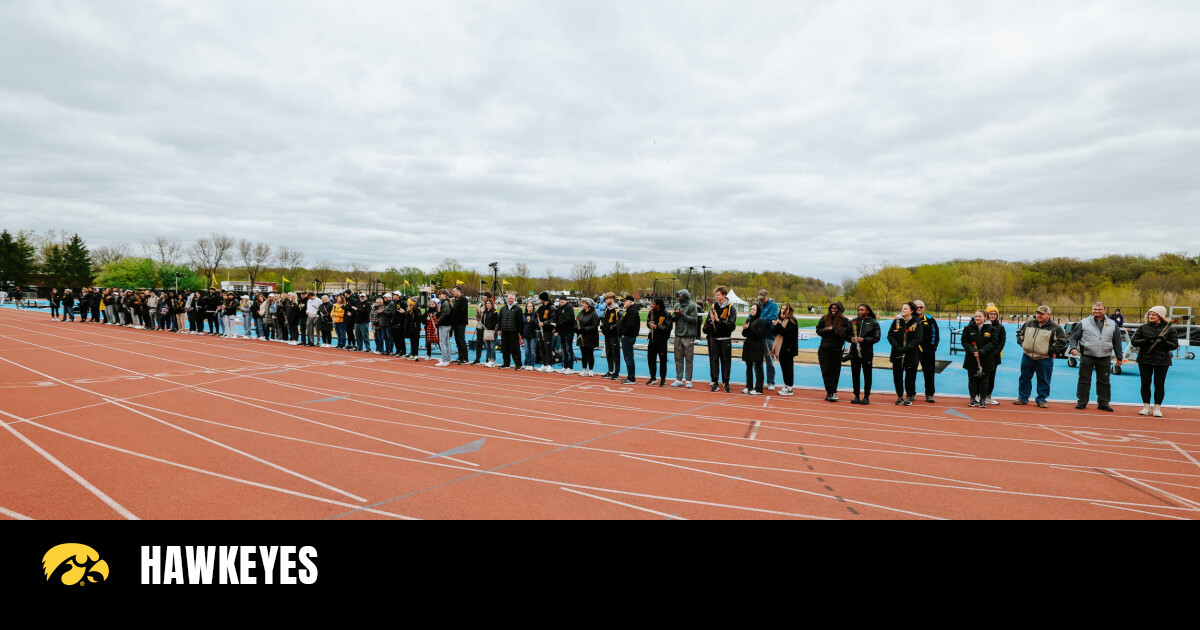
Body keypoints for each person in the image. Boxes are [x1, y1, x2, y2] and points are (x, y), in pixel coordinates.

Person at [1069, 302, 1124, 412]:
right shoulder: (1083, 323)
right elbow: (1073, 338)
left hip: (1105, 356)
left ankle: (1103, 403)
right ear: (1091, 310)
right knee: (1084, 379)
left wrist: (1119, 356)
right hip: (1087, 355)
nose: (1097, 311)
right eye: (1095, 309)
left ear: (1105, 310)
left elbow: (1117, 341)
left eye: (1099, 309)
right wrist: (1073, 348)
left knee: (1104, 380)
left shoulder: (1112, 324)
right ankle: (1082, 402)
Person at [1014, 305, 1068, 408]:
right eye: (1038, 313)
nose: (1039, 315)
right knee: (1024, 377)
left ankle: (1041, 399)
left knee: (1043, 379)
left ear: (1049, 315)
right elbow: (1019, 333)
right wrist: (1023, 344)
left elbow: (1061, 342)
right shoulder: (1029, 323)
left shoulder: (1055, 328)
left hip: (1044, 358)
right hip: (1027, 356)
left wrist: (1048, 351)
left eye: (1042, 314)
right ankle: (1023, 397)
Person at [1130, 305, 1178, 417]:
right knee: (1145, 383)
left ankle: (1157, 408)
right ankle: (1146, 407)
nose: (1151, 316)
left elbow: (1175, 345)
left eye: (1154, 315)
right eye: (1150, 314)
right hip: (1145, 359)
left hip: (1162, 361)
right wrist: (1147, 340)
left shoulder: (1170, 329)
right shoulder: (1143, 328)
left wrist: (1164, 342)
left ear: (1160, 316)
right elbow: (1134, 342)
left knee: (1159, 384)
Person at [961, 310, 998, 408]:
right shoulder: (968, 328)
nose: (977, 318)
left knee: (985, 380)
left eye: (979, 316)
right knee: (972, 379)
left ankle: (982, 399)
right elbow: (964, 341)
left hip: (986, 359)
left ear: (985, 317)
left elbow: (994, 342)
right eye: (976, 316)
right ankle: (973, 398)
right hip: (971, 358)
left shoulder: (991, 329)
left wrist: (982, 351)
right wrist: (972, 350)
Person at [888, 302, 922, 405]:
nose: (903, 310)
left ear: (911, 311)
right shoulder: (896, 322)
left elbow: (918, 339)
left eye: (906, 309)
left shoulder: (917, 323)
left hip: (911, 355)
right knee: (897, 377)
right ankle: (899, 396)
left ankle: (909, 396)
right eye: (902, 308)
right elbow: (890, 335)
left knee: (910, 378)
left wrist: (906, 348)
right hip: (897, 354)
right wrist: (898, 347)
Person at [704, 287, 738, 393]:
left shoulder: (731, 308)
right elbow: (707, 323)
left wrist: (719, 321)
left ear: (724, 295)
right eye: (716, 295)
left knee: (726, 361)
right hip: (714, 338)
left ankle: (726, 383)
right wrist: (711, 321)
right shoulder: (713, 307)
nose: (716, 296)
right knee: (714, 360)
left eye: (718, 295)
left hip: (725, 338)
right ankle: (715, 382)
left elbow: (732, 326)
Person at [815, 301, 849, 402]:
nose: (833, 310)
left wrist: (835, 330)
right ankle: (830, 392)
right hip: (824, 349)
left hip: (836, 349)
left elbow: (845, 334)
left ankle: (832, 392)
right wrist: (826, 329)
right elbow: (818, 330)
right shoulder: (825, 318)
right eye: (832, 308)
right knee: (826, 370)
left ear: (840, 309)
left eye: (835, 308)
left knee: (835, 371)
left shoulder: (845, 321)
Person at [848, 303, 880, 404]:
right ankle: (856, 395)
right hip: (854, 352)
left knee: (867, 375)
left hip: (867, 352)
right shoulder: (853, 321)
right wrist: (850, 339)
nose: (859, 312)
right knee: (855, 374)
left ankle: (866, 396)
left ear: (867, 311)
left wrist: (864, 340)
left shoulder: (873, 322)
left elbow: (876, 337)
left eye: (862, 310)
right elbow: (846, 334)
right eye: (858, 310)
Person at [670, 289, 699, 388]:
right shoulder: (677, 305)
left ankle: (688, 380)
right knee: (678, 358)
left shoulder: (692, 306)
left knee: (689, 358)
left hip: (688, 335)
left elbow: (695, 320)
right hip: (678, 335)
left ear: (685, 296)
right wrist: (675, 315)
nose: (678, 298)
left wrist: (683, 315)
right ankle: (678, 379)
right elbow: (673, 319)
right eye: (677, 296)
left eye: (679, 296)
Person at [740, 303, 771, 395]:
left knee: (758, 368)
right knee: (748, 367)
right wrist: (745, 329)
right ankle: (749, 386)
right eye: (751, 309)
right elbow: (744, 334)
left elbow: (759, 334)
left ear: (758, 311)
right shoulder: (749, 319)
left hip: (757, 346)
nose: (752, 311)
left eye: (754, 309)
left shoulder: (761, 321)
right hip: (748, 345)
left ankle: (758, 389)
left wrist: (750, 327)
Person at [770, 303, 799, 396]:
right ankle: (786, 386)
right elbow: (775, 333)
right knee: (784, 368)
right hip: (781, 348)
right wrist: (775, 326)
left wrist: (778, 326)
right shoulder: (780, 320)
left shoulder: (792, 321)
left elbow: (787, 334)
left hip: (788, 349)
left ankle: (789, 388)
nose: (782, 310)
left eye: (785, 309)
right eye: (782, 308)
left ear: (789, 311)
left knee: (788, 368)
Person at [914, 300, 939, 403]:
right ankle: (911, 394)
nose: (919, 309)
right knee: (911, 373)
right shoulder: (910, 320)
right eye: (916, 307)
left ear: (924, 308)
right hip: (913, 351)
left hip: (927, 352)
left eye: (921, 307)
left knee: (929, 373)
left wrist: (932, 348)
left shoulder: (930, 320)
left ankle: (929, 394)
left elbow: (935, 335)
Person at [645, 298, 672, 386]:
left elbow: (668, 327)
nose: (652, 305)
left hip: (662, 341)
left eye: (653, 304)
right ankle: (653, 377)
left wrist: (657, 327)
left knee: (662, 360)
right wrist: (649, 324)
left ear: (658, 305)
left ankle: (663, 379)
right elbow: (648, 322)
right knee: (651, 359)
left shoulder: (666, 314)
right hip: (652, 340)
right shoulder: (651, 312)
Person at [982, 306, 1005, 405]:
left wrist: (994, 352)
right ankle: (979, 395)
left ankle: (988, 396)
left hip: (994, 356)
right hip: (982, 355)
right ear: (986, 315)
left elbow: (1001, 341)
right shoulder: (981, 325)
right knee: (980, 375)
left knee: (991, 376)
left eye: (994, 314)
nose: (992, 315)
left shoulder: (1000, 327)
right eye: (990, 313)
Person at [758, 290, 779, 391]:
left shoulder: (773, 305)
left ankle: (771, 382)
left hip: (768, 335)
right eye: (760, 298)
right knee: (757, 360)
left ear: (767, 296)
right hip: (758, 336)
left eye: (763, 298)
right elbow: (752, 315)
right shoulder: (758, 305)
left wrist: (758, 322)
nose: (761, 300)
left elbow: (771, 317)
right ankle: (759, 381)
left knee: (769, 360)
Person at [618, 295, 641, 385]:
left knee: (629, 358)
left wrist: (624, 333)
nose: (624, 302)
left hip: (628, 336)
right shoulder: (629, 310)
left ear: (630, 301)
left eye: (625, 301)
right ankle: (630, 377)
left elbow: (630, 324)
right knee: (627, 357)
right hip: (627, 336)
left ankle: (631, 378)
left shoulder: (632, 311)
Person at [497, 293, 524, 370]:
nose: (510, 299)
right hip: (504, 332)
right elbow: (500, 320)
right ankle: (506, 364)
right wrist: (499, 329)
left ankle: (518, 364)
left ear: (514, 299)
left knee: (515, 349)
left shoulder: (518, 309)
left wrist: (519, 332)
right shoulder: (503, 309)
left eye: (511, 298)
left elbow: (520, 322)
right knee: (505, 349)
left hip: (513, 333)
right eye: (509, 298)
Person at [576, 298, 600, 377]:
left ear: (588, 305)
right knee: (583, 354)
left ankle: (591, 370)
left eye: (584, 303)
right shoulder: (581, 313)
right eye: (582, 303)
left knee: (590, 354)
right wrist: (576, 328)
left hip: (591, 337)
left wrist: (584, 329)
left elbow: (595, 325)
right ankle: (584, 370)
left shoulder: (594, 313)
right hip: (582, 337)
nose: (582, 304)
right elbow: (577, 321)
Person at [600, 292, 621, 379]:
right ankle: (610, 370)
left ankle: (616, 372)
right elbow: (604, 320)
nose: (606, 301)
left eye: (608, 299)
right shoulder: (606, 309)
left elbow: (620, 323)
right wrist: (603, 326)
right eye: (605, 299)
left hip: (614, 335)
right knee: (608, 353)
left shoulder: (617, 310)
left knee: (615, 354)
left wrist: (613, 327)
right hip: (607, 335)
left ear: (612, 299)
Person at [535, 292, 558, 373]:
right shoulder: (541, 308)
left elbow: (553, 319)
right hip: (541, 330)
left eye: (540, 298)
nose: (539, 300)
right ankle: (544, 364)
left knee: (548, 348)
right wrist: (537, 322)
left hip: (548, 330)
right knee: (542, 347)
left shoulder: (552, 307)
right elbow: (536, 315)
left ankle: (550, 365)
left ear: (543, 299)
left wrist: (544, 323)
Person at [555, 295, 577, 374]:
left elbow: (567, 319)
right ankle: (564, 366)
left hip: (568, 331)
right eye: (560, 300)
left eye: (563, 300)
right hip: (562, 332)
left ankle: (570, 368)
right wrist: (557, 329)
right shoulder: (559, 308)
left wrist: (558, 324)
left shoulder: (569, 308)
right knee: (563, 349)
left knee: (568, 349)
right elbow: (558, 318)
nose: (561, 301)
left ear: (566, 300)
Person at [477, 297, 498, 367]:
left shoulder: (495, 312)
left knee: (492, 347)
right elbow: (481, 320)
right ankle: (489, 360)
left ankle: (493, 360)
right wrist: (478, 312)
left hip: (492, 332)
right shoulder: (485, 312)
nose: (488, 304)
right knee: (487, 347)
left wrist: (494, 329)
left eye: (489, 303)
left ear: (492, 304)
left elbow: (496, 322)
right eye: (487, 303)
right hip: (486, 331)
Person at [435, 289, 454, 366]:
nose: (439, 295)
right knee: (447, 342)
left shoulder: (445, 303)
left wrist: (438, 322)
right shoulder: (445, 302)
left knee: (442, 342)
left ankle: (445, 360)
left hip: (444, 325)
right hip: (446, 324)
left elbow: (445, 313)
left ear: (445, 295)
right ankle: (447, 358)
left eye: (441, 294)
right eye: (439, 294)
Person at [451, 286, 469, 364]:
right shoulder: (456, 300)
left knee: (461, 340)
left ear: (459, 291)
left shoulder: (463, 300)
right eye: (452, 291)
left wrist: (455, 319)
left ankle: (465, 358)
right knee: (457, 341)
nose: (453, 293)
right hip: (456, 323)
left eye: (454, 291)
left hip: (461, 323)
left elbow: (462, 312)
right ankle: (460, 356)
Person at [522, 301, 539, 371]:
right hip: (525, 335)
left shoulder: (535, 315)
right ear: (526, 307)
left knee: (532, 350)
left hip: (533, 335)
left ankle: (531, 364)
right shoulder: (523, 315)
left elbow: (537, 324)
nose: (530, 307)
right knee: (526, 350)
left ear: (533, 307)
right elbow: (521, 324)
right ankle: (527, 363)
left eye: (531, 306)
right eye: (528, 306)